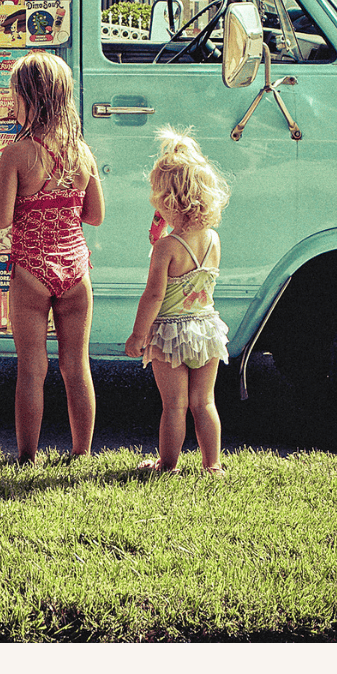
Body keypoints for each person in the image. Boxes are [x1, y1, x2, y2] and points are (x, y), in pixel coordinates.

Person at [0, 52, 105, 462]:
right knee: (77, 367)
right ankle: (81, 452)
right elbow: (94, 215)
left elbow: (2, 217)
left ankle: (27, 455)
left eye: (13, 96)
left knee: (32, 369)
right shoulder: (82, 153)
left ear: (29, 99)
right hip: (75, 267)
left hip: (31, 269)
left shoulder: (16, 155)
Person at [125, 128, 231, 474]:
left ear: (169, 203)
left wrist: (139, 336)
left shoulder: (167, 248)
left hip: (171, 334)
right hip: (206, 329)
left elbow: (154, 295)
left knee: (174, 404)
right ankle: (212, 465)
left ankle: (167, 465)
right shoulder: (212, 238)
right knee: (204, 402)